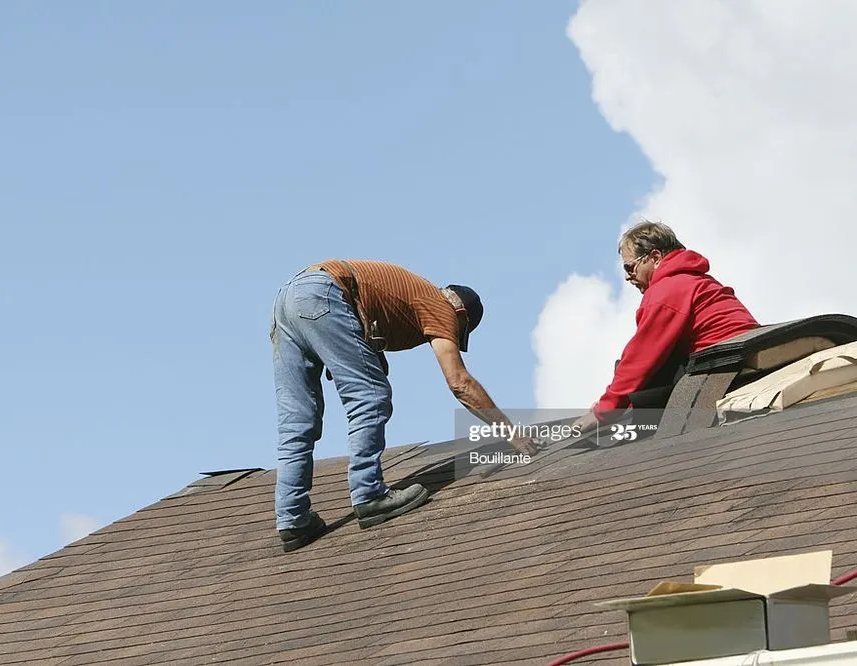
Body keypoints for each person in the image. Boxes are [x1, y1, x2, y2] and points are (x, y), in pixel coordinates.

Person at [271, 259, 534, 552]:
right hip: (325, 293)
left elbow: (365, 329)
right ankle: (369, 494)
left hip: (288, 299)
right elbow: (459, 382)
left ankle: (293, 519)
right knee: (370, 397)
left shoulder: (406, 299)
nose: (448, 335)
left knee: (297, 420)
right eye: (457, 331)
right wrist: (511, 433)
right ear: (460, 313)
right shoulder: (441, 305)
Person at [574, 221, 759, 433]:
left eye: (630, 267)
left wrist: (604, 411)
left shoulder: (664, 292)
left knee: (635, 369)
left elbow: (639, 360)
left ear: (654, 258)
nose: (627, 277)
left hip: (725, 367)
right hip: (751, 354)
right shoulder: (697, 280)